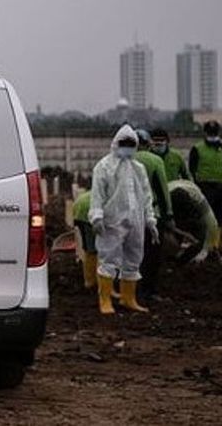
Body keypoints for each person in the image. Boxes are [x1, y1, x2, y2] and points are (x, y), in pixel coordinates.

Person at [89, 125, 157, 315]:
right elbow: (97, 195)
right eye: (124, 143)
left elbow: (146, 195)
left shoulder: (138, 168)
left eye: (131, 144)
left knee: (134, 259)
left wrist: (150, 219)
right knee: (108, 259)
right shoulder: (104, 167)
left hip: (136, 221)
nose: (127, 147)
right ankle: (105, 300)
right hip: (112, 221)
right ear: (115, 143)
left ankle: (128, 299)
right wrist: (96, 216)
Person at [134, 129, 174, 298]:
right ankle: (148, 290)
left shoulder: (120, 160)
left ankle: (128, 290)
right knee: (152, 255)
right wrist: (169, 215)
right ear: (147, 143)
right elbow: (162, 190)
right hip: (151, 214)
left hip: (126, 215)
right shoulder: (155, 161)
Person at [189, 121, 222, 229]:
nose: (212, 136)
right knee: (206, 216)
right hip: (205, 186)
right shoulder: (197, 148)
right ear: (205, 133)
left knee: (220, 217)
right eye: (210, 133)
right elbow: (192, 167)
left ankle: (217, 240)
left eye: (214, 133)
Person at [168, 180, 220, 263]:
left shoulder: (196, 196)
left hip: (183, 194)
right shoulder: (164, 200)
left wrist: (210, 247)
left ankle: (182, 257)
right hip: (172, 197)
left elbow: (211, 221)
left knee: (201, 228)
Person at [72, 190, 97, 289]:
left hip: (80, 207)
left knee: (89, 247)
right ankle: (91, 282)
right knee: (93, 249)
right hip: (88, 211)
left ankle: (90, 280)